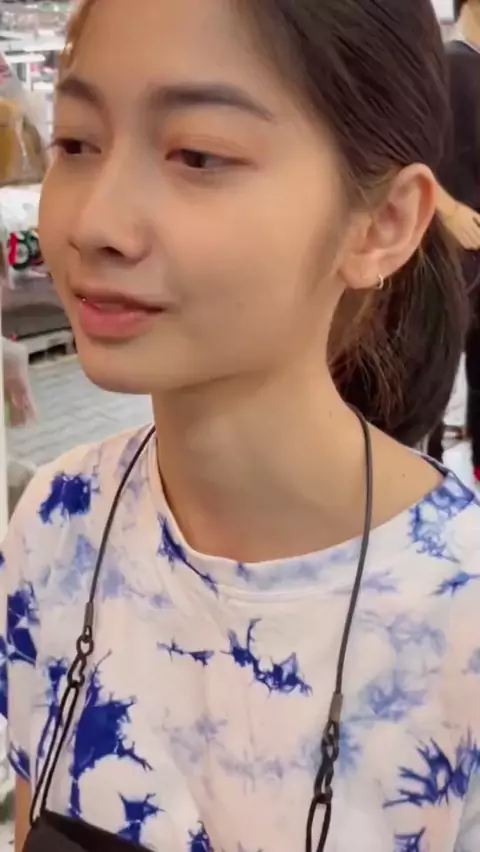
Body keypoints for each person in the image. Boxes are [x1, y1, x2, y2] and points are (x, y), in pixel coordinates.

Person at [0, 2, 477, 852]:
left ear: (383, 223)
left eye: (198, 155)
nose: (96, 223)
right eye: (77, 143)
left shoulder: (460, 617)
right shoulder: (59, 520)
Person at [430, 0, 480, 465]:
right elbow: (408, 149)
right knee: (435, 365)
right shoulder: (446, 65)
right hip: (448, 251)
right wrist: (448, 210)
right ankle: (426, 470)